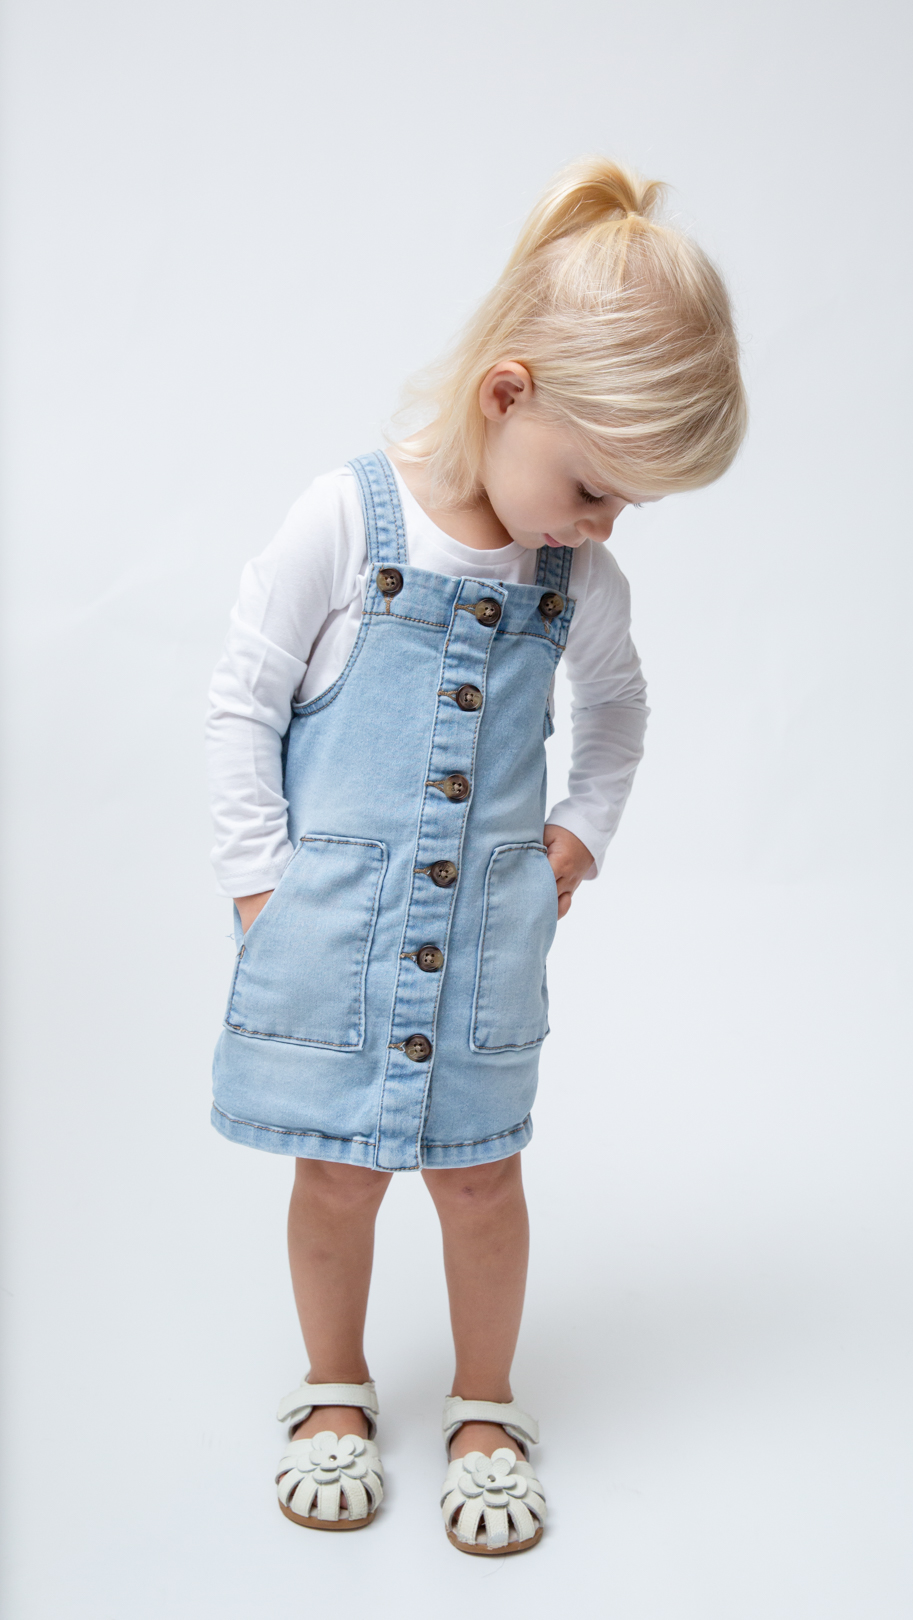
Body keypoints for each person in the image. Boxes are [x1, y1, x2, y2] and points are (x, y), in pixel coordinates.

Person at [206, 156, 746, 1553]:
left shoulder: (579, 585)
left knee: (481, 1174)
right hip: (329, 924)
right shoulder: (344, 522)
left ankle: (489, 1406)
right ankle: (333, 1387)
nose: (601, 525)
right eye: (594, 487)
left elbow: (620, 712)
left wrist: (582, 830)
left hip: (488, 945)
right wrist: (258, 879)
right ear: (508, 395)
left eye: (628, 508)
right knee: (332, 1171)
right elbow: (245, 695)